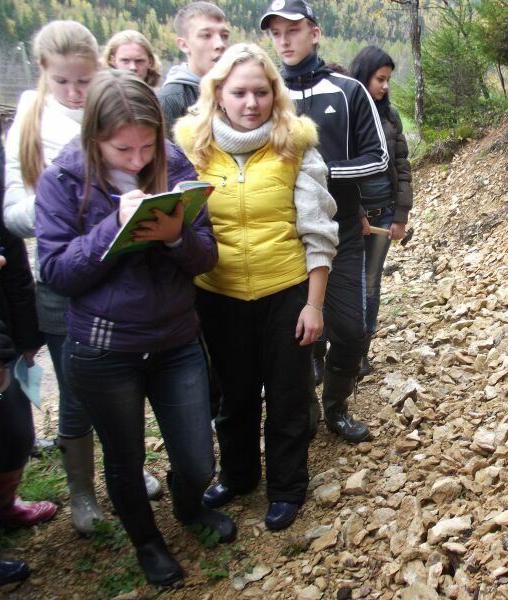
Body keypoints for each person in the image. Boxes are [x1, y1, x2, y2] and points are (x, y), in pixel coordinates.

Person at [34, 70, 235, 587]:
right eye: (123, 149)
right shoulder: (62, 181)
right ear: (93, 139)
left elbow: (205, 255)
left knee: (196, 458)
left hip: (175, 338)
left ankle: (189, 505)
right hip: (104, 348)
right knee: (123, 458)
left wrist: (174, 238)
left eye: (149, 144)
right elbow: (54, 272)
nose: (140, 159)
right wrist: (111, 229)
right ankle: (148, 542)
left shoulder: (176, 164)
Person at [4, 20, 162, 537]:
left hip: (127, 265)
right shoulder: (28, 119)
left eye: (82, 80)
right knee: (75, 389)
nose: (73, 92)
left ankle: (128, 465)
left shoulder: (114, 114)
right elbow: (13, 212)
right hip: (60, 277)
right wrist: (68, 205)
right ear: (43, 75)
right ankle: (80, 491)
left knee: (124, 381)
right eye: (62, 82)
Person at [174, 43, 338, 531]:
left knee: (288, 395)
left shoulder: (295, 145)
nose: (251, 103)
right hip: (217, 293)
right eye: (239, 92)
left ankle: (287, 487)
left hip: (285, 289)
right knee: (234, 394)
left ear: (275, 94)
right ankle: (240, 474)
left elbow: (319, 229)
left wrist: (314, 304)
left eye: (261, 92)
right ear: (218, 94)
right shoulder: (192, 148)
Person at [262, 0, 390, 443]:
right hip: (281, 234)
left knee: (352, 332)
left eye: (293, 30)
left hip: (341, 230)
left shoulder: (348, 90)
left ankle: (337, 406)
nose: (284, 40)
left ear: (314, 33)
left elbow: (379, 158)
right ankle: (310, 409)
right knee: (298, 333)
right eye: (276, 32)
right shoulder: (265, 92)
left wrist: (323, 173)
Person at [0, 113, 56, 588]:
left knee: (15, 429)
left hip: (6, 306)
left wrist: (24, 335)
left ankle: (4, 507)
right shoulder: (28, 123)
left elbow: (11, 246)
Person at [349, 46, 413, 376]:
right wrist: (355, 211)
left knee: (371, 283)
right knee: (350, 283)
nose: (385, 86)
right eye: (380, 79)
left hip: (385, 212)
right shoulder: (347, 113)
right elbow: (339, 170)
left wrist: (401, 215)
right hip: (351, 216)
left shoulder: (390, 116)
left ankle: (361, 352)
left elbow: (402, 166)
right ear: (363, 76)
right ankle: (338, 351)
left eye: (388, 80)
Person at [158, 2, 230, 137]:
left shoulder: (240, 91)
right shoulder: (169, 101)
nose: (220, 44)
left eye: (224, 36)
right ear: (184, 45)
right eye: (206, 35)